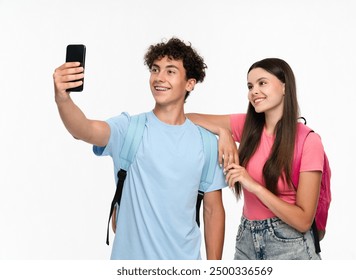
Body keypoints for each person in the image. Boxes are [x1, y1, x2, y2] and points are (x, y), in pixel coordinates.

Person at [53, 37, 226, 260]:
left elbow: (212, 211)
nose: (159, 78)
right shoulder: (128, 129)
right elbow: (84, 129)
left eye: (170, 71)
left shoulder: (207, 143)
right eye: (155, 69)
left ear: (190, 83)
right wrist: (63, 99)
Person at [187, 58, 324, 260]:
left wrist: (254, 186)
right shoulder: (247, 126)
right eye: (250, 86)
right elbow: (188, 118)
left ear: (285, 86)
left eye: (262, 83)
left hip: (289, 243)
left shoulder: (309, 141)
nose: (254, 91)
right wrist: (223, 132)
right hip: (247, 239)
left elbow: (304, 220)